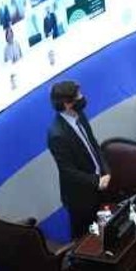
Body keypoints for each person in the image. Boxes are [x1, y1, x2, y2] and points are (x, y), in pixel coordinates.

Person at [46, 80, 110, 238]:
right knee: (87, 239)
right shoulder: (57, 135)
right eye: (78, 95)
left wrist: (106, 170)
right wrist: (97, 181)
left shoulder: (79, 115)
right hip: (81, 197)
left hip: (100, 185)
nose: (82, 97)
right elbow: (68, 171)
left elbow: (93, 144)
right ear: (67, 104)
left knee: (106, 231)